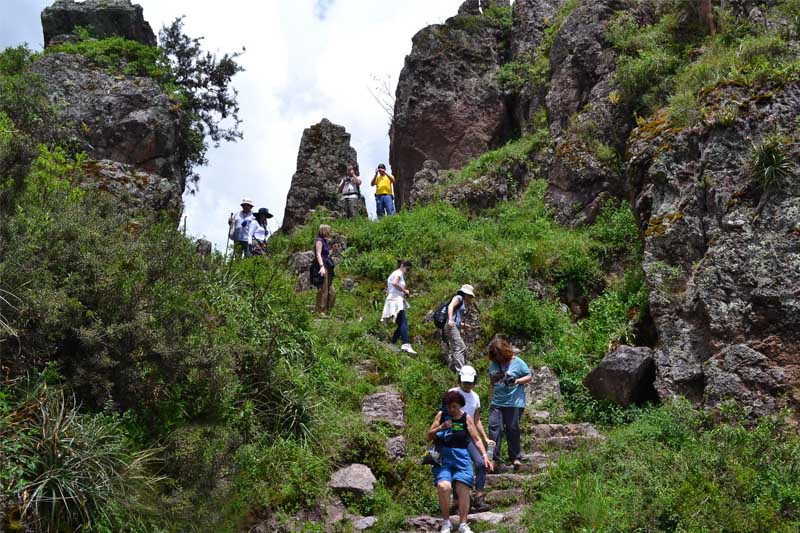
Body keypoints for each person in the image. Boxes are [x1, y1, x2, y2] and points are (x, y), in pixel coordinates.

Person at [427, 390, 492, 533]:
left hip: (462, 456)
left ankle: (463, 524)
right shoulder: (441, 415)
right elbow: (429, 435)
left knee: (463, 489)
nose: (451, 409)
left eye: (454, 406)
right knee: (444, 487)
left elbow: (475, 439)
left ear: (460, 405)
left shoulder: (466, 418)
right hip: (444, 456)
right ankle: (446, 522)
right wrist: (441, 427)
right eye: (449, 406)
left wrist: (484, 455)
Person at [449, 365, 493, 513]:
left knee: (481, 463)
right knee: (458, 466)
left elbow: (476, 420)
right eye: (464, 382)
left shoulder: (475, 397)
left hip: (469, 436)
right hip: (454, 434)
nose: (467, 385)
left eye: (470, 382)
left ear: (474, 381)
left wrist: (484, 438)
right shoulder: (453, 393)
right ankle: (457, 502)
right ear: (460, 380)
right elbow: (445, 413)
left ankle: (479, 497)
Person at [487, 338, 532, 470]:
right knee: (495, 428)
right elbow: (492, 384)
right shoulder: (493, 365)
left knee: (512, 429)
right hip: (497, 402)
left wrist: (516, 381)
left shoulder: (517, 362)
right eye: (495, 357)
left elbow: (529, 376)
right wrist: (490, 400)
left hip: (514, 402)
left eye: (500, 355)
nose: (498, 359)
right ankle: (494, 459)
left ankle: (515, 457)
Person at [381, 260, 417, 354]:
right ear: (402, 266)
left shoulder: (395, 273)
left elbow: (392, 289)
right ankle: (405, 344)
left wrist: (404, 298)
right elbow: (395, 283)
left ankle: (393, 342)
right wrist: (405, 291)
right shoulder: (398, 273)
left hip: (394, 299)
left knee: (401, 323)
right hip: (396, 300)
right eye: (407, 269)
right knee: (403, 322)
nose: (407, 271)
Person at [444, 284, 475, 372]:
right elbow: (450, 306)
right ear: (466, 294)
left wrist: (464, 325)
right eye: (470, 296)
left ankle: (452, 368)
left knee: (456, 348)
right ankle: (461, 372)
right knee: (461, 347)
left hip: (453, 326)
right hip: (451, 326)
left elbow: (456, 318)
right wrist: (450, 320)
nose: (470, 298)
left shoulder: (461, 301)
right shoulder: (458, 298)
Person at [314, 224, 336, 315]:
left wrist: (332, 251)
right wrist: (321, 266)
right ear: (324, 231)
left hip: (327, 266)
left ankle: (328, 310)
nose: (330, 232)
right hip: (322, 266)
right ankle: (320, 311)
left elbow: (325, 255)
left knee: (332, 291)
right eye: (328, 230)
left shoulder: (324, 241)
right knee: (324, 289)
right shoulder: (319, 241)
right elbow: (318, 254)